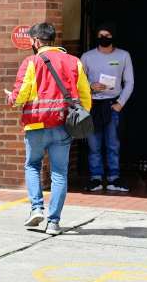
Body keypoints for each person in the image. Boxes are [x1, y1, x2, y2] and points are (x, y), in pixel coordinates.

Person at [8, 22, 92, 236]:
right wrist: (78, 116)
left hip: (36, 124)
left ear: (36, 41)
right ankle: (53, 222)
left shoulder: (31, 62)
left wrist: (12, 99)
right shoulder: (74, 62)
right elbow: (85, 95)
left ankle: (36, 208)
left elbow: (20, 95)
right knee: (59, 173)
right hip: (63, 126)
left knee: (32, 165)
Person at [80, 23, 134, 192]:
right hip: (93, 105)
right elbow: (78, 81)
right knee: (94, 145)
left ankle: (114, 178)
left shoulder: (123, 55)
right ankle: (95, 178)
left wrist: (120, 103)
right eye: (101, 35)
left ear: (113, 37)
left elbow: (130, 82)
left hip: (112, 105)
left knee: (113, 145)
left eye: (108, 35)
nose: (104, 38)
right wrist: (90, 86)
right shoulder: (87, 57)